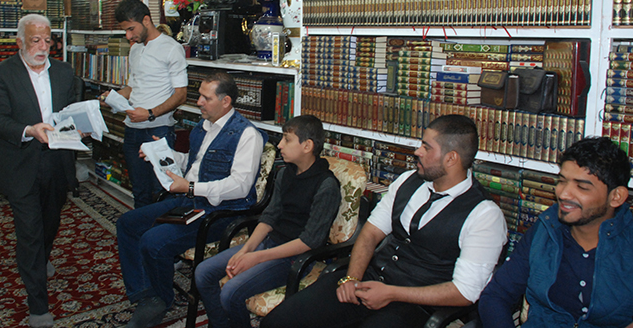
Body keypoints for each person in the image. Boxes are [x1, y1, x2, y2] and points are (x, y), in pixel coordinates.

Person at [262, 114, 507, 328]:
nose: (417, 152)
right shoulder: (408, 181)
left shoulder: (484, 215)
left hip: (414, 304)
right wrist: (352, 278)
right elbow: (370, 233)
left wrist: (391, 293)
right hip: (368, 280)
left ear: (451, 158)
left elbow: (464, 292)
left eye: (426, 147)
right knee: (278, 321)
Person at [117, 72, 266, 328]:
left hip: (220, 212)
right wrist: (163, 154)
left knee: (153, 242)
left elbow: (240, 186)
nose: (199, 102)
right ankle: (145, 292)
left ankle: (160, 300)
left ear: (226, 101)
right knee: (127, 223)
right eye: (200, 96)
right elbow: (193, 164)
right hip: (190, 199)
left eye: (206, 98)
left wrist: (192, 187)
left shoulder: (247, 135)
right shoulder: (204, 125)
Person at [195, 115, 341, 328]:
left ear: (307, 146)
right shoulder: (285, 174)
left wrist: (256, 257)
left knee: (230, 293)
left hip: (295, 258)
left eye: (287, 139)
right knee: (203, 273)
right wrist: (247, 249)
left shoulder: (327, 186)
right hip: (269, 244)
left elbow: (309, 241)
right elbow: (270, 216)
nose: (279, 145)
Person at [479, 136, 633, 328]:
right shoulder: (546, 228)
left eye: (582, 187)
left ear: (616, 197)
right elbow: (495, 296)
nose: (563, 194)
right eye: (562, 181)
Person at [0, 14, 79, 328]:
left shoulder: (64, 71)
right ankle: (38, 305)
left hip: (57, 162)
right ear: (20, 42)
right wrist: (29, 130)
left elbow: (71, 110)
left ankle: (42, 256)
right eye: (35, 40)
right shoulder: (0, 73)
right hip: (20, 163)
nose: (42, 47)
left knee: (50, 223)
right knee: (29, 233)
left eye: (47, 40)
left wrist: (80, 126)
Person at [112, 0, 188, 208]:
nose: (129, 36)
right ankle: (142, 229)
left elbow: (181, 95)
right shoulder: (135, 49)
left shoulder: (171, 48)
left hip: (158, 130)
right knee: (139, 190)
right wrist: (113, 97)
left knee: (163, 190)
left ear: (146, 20)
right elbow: (132, 87)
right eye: (125, 31)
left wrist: (150, 113)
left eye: (131, 29)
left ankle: (162, 229)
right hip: (132, 130)